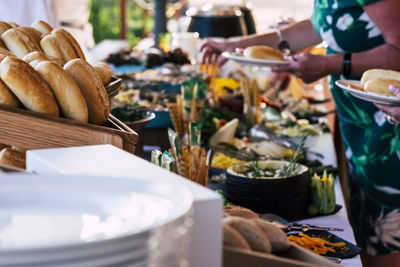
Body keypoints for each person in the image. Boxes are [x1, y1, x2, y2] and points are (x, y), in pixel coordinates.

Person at [201, 0, 400, 266]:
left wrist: (328, 64)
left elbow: (397, 49)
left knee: (383, 235)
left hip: (387, 125)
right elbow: (317, 26)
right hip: (360, 120)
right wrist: (233, 45)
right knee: (367, 223)